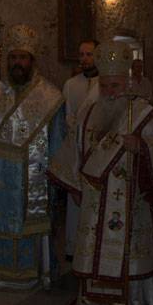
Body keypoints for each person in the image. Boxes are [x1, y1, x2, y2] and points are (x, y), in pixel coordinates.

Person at [48, 40, 153, 305]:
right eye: (105, 86)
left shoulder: (143, 113)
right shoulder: (88, 113)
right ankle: (92, 299)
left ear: (127, 84)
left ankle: (128, 302)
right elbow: (74, 150)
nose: (110, 92)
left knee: (126, 252)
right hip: (94, 200)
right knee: (94, 248)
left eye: (115, 86)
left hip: (130, 201)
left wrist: (141, 148)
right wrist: (76, 186)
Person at [0, 24, 66, 290]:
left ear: (32, 60)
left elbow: (57, 138)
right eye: (13, 57)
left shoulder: (50, 95)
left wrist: (56, 172)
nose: (18, 63)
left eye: (23, 57)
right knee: (4, 223)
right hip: (1, 175)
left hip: (35, 173)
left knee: (33, 224)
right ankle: (4, 275)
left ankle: (37, 273)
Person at [61, 39, 99, 262]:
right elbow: (67, 114)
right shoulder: (70, 84)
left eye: (89, 54)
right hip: (76, 147)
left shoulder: (105, 83)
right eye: (81, 54)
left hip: (97, 149)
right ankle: (73, 248)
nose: (84, 59)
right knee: (75, 197)